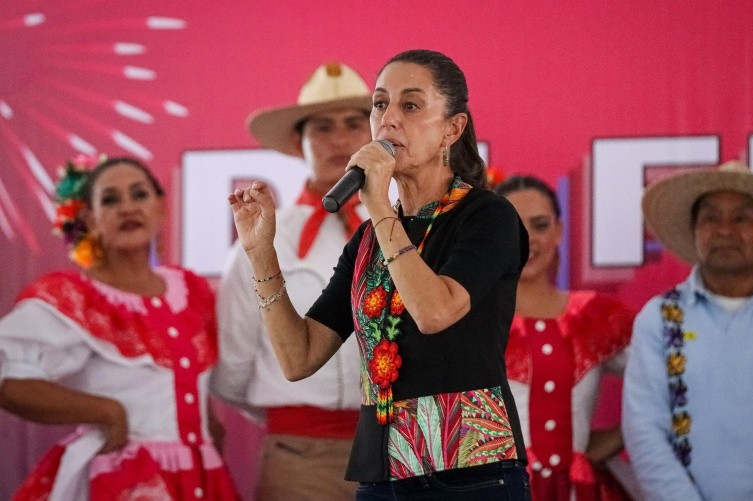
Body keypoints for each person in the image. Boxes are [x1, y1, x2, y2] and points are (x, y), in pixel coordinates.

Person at [227, 49, 531, 500]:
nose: (389, 120)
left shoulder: (487, 216)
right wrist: (261, 255)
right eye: (380, 104)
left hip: (471, 469)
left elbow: (435, 312)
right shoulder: (368, 239)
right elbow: (299, 358)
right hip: (382, 471)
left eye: (411, 105)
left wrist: (377, 203)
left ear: (452, 128)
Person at [0, 155, 238, 500]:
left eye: (139, 194)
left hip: (202, 479)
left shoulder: (190, 290)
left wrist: (209, 428)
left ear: (160, 207)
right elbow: (8, 380)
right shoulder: (76, 297)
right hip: (121, 480)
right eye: (110, 200)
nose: (127, 208)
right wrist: (105, 412)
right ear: (90, 219)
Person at [211, 61, 372, 500]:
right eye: (322, 127)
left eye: (353, 124)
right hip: (297, 456)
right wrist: (293, 417)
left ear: (375, 133)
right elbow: (232, 369)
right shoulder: (263, 236)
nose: (339, 139)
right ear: (298, 142)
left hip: (396, 450)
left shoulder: (403, 229)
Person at [622, 160, 753, 500]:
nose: (724, 230)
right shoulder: (658, 319)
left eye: (741, 218)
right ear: (695, 232)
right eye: (710, 218)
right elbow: (644, 431)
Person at [496, 175, 637, 500]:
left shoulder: (598, 317)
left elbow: (669, 380)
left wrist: (618, 436)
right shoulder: (471, 323)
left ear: (559, 231)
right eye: (512, 227)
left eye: (540, 225)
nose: (527, 239)